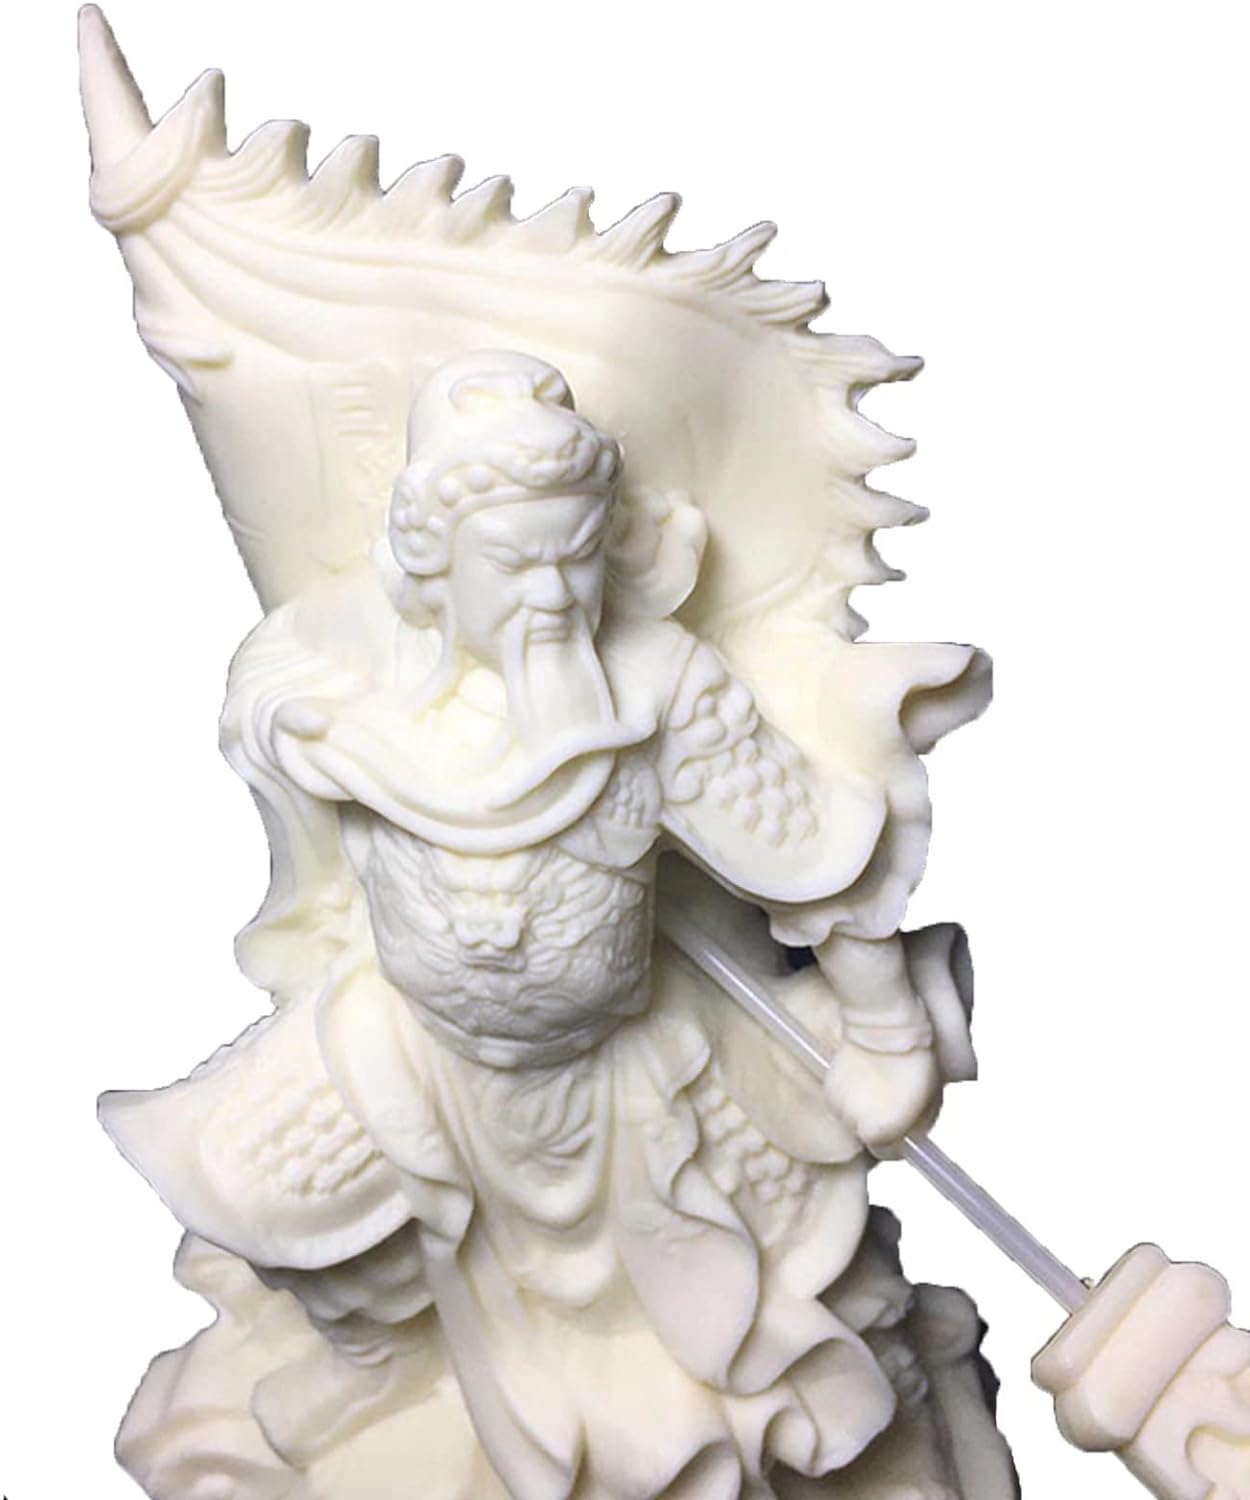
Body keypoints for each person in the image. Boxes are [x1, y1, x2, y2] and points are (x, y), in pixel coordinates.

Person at [103, 351, 1014, 1500]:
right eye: (511, 562)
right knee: (247, 1185)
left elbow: (816, 861)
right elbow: (269, 707)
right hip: (408, 1045)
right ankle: (378, 1357)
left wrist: (881, 1024)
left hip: (628, 1071)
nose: (546, 593)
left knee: (775, 1312)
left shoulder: (658, 691)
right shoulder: (338, 684)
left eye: (570, 557)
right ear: (431, 564)